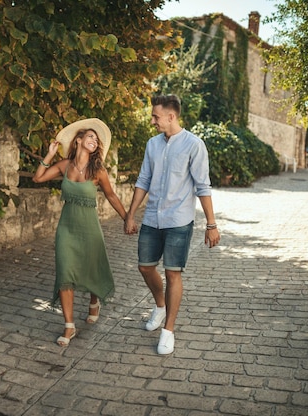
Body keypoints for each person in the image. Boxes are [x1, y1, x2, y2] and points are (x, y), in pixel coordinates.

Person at [124, 95, 220, 355]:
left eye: (155, 116)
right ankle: (159, 305)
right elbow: (143, 179)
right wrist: (131, 214)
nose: (152, 120)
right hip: (152, 217)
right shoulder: (152, 145)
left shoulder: (194, 145)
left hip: (179, 220)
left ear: (171, 116)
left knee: (172, 273)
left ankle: (168, 330)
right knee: (145, 267)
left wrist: (211, 224)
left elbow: (203, 185)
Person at [33, 118, 127, 347]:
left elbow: (112, 196)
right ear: (78, 140)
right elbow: (38, 178)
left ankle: (95, 300)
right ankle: (69, 326)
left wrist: (127, 218)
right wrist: (49, 154)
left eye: (96, 139)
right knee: (65, 270)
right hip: (67, 227)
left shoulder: (98, 170)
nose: (94, 141)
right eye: (90, 137)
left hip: (89, 227)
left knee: (90, 267)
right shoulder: (64, 166)